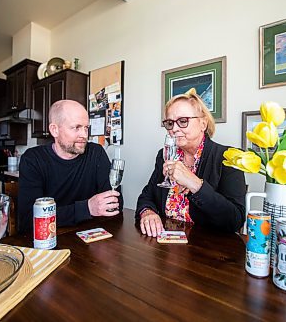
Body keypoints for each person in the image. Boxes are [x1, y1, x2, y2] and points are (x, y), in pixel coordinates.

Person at [136, 90, 246, 236]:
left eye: (183, 121)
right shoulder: (164, 156)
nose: (174, 129)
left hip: (207, 250)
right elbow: (146, 196)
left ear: (203, 123)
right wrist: (147, 212)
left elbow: (235, 220)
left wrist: (195, 184)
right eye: (170, 123)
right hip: (164, 246)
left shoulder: (229, 157)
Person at [17, 100, 122, 234]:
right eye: (76, 127)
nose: (84, 135)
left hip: (90, 237)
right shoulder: (33, 160)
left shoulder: (96, 153)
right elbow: (28, 219)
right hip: (49, 239)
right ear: (54, 130)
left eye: (86, 128)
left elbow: (115, 202)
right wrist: (87, 208)